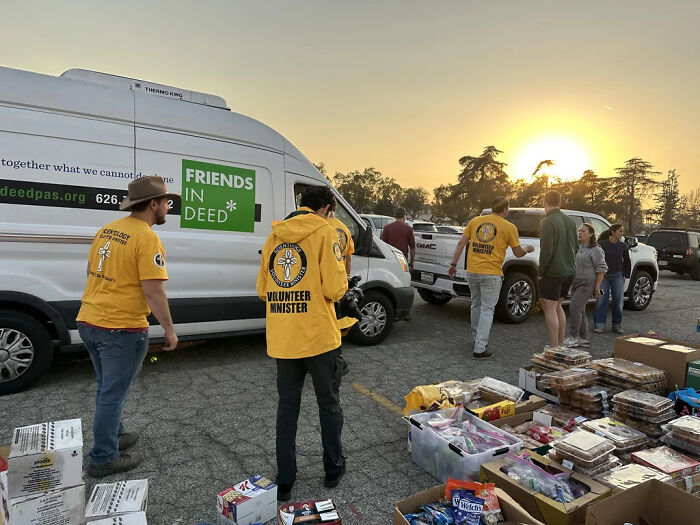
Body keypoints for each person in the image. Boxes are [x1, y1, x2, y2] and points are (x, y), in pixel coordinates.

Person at [77, 175, 179, 477]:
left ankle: (116, 436)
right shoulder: (147, 237)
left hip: (89, 320)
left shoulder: (107, 230)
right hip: (121, 329)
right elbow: (153, 291)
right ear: (153, 204)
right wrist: (170, 330)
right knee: (113, 392)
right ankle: (102, 457)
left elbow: (90, 271)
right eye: (165, 202)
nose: (168, 207)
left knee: (107, 387)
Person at [256, 185, 348, 502]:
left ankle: (285, 480)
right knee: (328, 405)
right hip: (319, 337)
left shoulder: (274, 236)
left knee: (287, 409)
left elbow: (264, 290)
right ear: (326, 208)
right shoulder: (325, 233)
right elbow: (336, 289)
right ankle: (333, 469)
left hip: (284, 339)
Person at [448, 196, 534, 359]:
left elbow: (461, 243)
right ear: (505, 210)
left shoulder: (475, 222)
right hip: (491, 273)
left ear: (492, 207)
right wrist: (528, 248)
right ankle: (480, 349)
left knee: (476, 305)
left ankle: (476, 339)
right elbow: (517, 253)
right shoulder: (509, 227)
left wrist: (453, 264)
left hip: (472, 271)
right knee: (487, 310)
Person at [538, 190, 578, 349]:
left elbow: (546, 250)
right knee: (558, 305)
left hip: (553, 272)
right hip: (569, 270)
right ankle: (560, 345)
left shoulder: (547, 221)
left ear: (544, 201)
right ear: (560, 202)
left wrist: (541, 272)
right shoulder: (570, 221)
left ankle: (553, 347)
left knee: (549, 309)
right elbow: (576, 246)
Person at [565, 223, 608, 348]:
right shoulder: (577, 247)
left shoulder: (596, 250)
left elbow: (602, 269)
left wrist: (596, 287)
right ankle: (584, 338)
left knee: (574, 308)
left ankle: (574, 336)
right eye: (579, 230)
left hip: (587, 283)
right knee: (580, 310)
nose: (579, 233)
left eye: (583, 231)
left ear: (590, 234)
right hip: (575, 282)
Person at [593, 223, 631, 334]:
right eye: (620, 231)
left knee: (618, 301)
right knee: (601, 300)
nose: (622, 234)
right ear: (613, 232)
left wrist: (625, 275)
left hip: (618, 276)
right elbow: (597, 260)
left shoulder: (623, 246)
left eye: (622, 231)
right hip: (603, 276)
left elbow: (627, 262)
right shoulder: (601, 244)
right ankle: (599, 325)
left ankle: (617, 325)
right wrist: (599, 273)